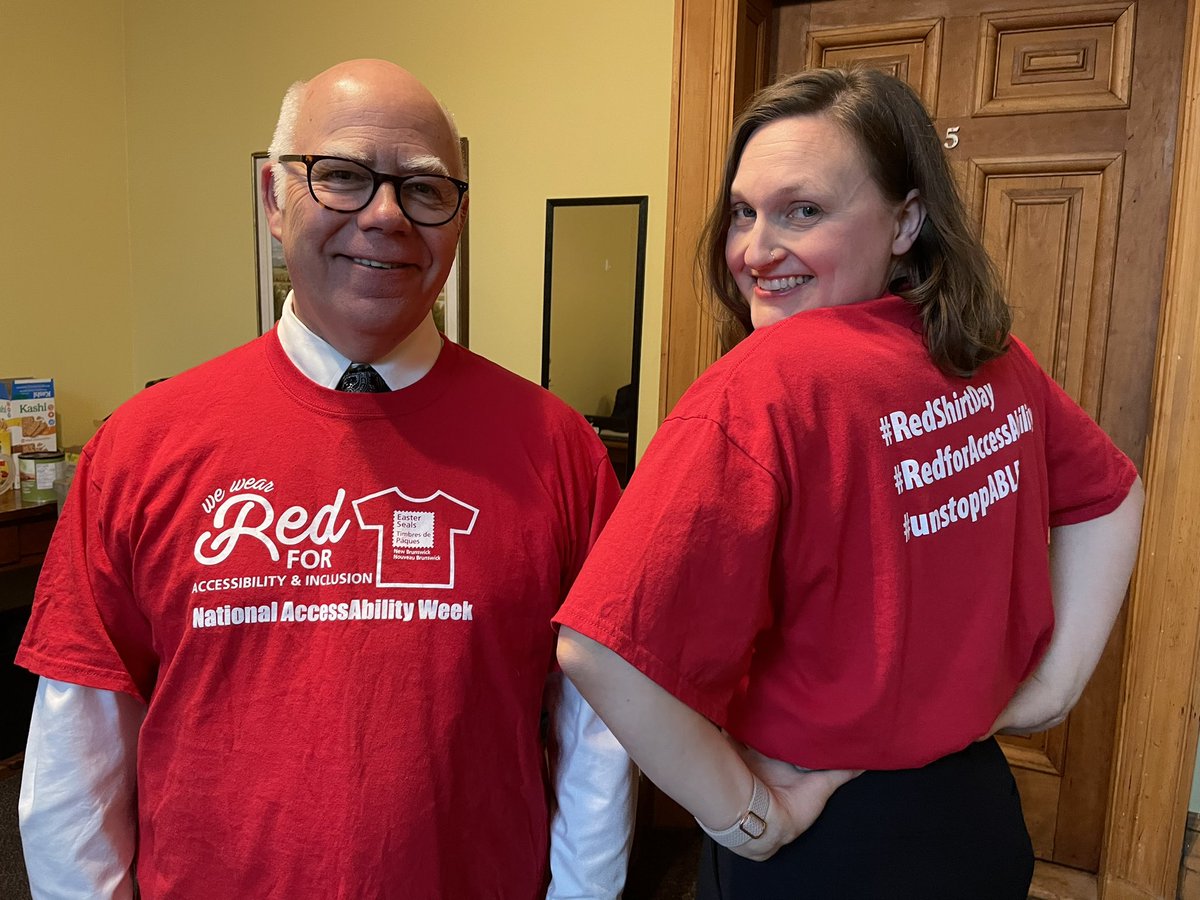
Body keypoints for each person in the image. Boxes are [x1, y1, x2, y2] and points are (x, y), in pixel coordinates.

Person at [17, 59, 634, 899]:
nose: (385, 217)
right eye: (342, 177)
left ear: (458, 218)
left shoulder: (558, 449)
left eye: (424, 189)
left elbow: (595, 731)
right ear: (274, 199)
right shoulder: (142, 448)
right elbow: (77, 746)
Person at [555, 67, 1143, 898]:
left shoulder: (762, 386)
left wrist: (747, 819)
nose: (756, 251)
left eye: (804, 211)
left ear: (906, 220)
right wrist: (1051, 688)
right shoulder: (985, 356)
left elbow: (597, 648)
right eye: (743, 212)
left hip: (823, 840)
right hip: (976, 815)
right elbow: (1114, 494)